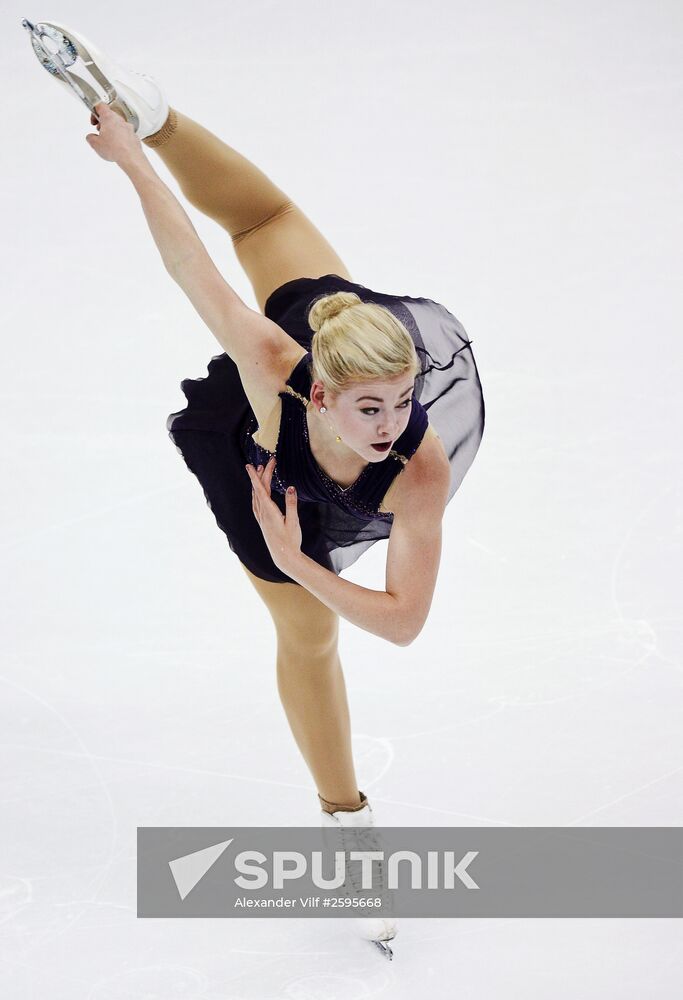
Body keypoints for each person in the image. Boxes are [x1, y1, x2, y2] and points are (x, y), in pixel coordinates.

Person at [24, 20, 485, 959]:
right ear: (319, 392)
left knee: (269, 223)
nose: (391, 423)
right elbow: (188, 262)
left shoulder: (419, 461)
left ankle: (157, 111)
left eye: (402, 401)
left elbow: (404, 624)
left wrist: (297, 560)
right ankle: (349, 827)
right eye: (369, 407)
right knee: (309, 641)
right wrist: (130, 162)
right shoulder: (275, 363)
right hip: (261, 467)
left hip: (299, 500)